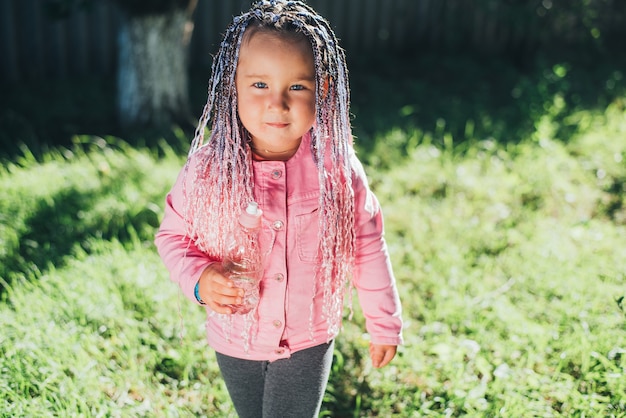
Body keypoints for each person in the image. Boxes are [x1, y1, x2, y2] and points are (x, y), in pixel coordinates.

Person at [155, 1, 403, 416]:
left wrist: (384, 322)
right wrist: (199, 279)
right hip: (236, 335)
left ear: (322, 90)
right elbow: (172, 236)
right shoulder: (207, 169)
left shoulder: (338, 170)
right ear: (233, 85)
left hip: (308, 336)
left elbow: (368, 245)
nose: (277, 103)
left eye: (297, 87)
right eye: (259, 86)